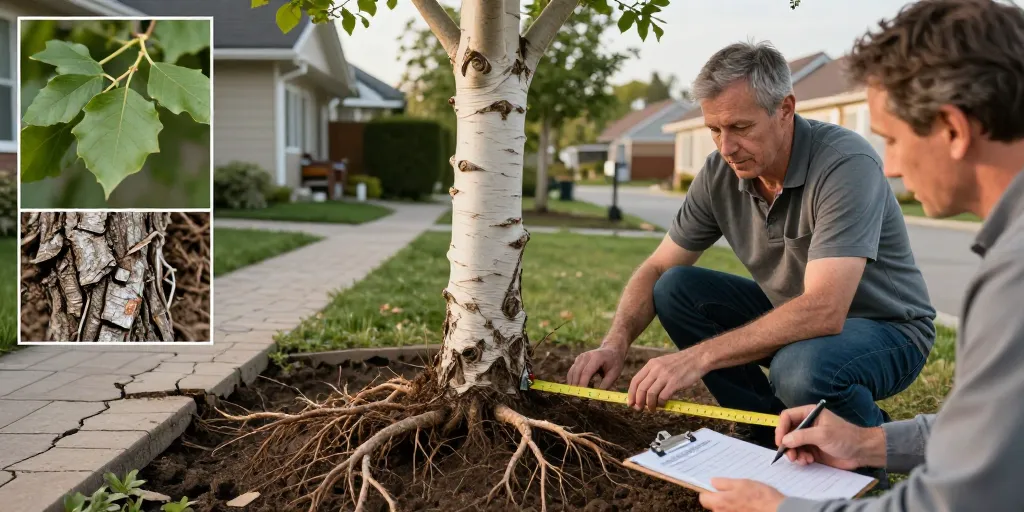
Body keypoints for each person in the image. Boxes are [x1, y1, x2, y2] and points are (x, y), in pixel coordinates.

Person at [698, 0, 1024, 510]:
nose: (889, 166)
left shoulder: (1014, 279)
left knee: (801, 366)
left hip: (884, 331)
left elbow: (959, 500)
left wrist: (783, 509)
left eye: (892, 139)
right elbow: (995, 434)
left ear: (953, 129)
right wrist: (869, 442)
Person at [566, 39, 936, 445]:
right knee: (674, 287)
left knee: (798, 369)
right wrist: (615, 344)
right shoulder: (719, 173)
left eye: (740, 128)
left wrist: (696, 359)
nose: (726, 147)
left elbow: (826, 309)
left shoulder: (845, 164)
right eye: (714, 130)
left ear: (785, 109)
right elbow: (658, 266)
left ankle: (865, 455)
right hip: (798, 319)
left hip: (889, 331)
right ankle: (767, 430)